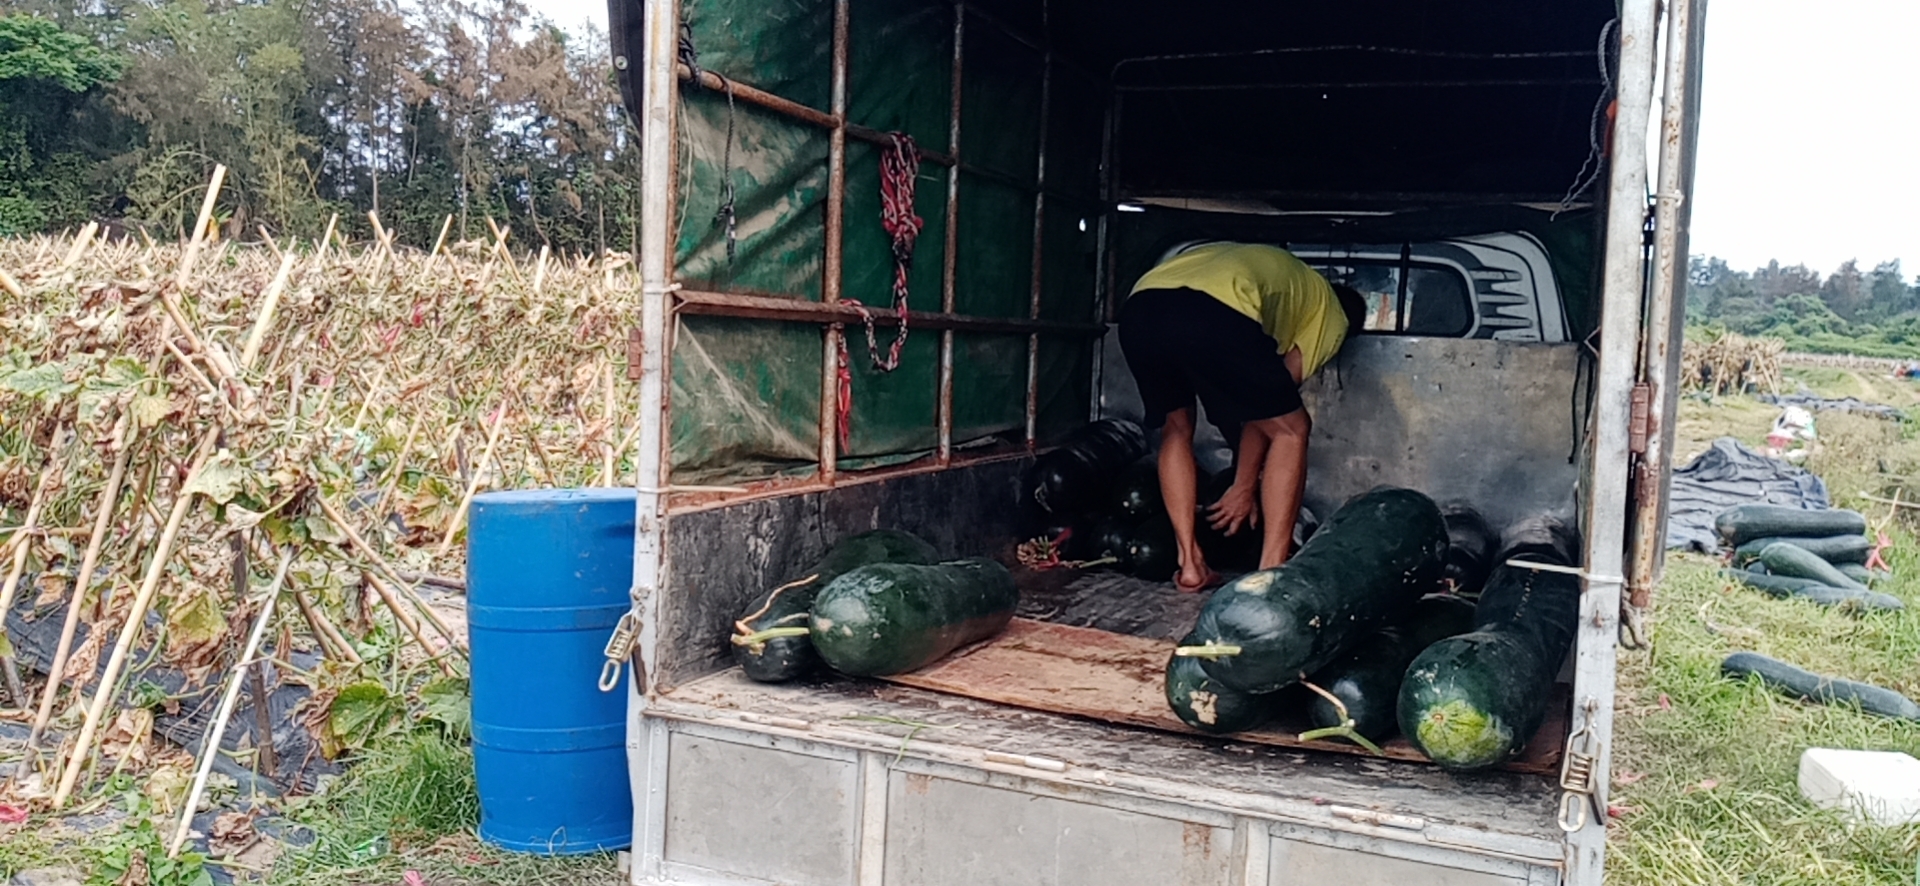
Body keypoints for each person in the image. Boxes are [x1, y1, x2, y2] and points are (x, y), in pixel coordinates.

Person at [1117, 241, 1367, 592]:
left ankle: (1190, 564)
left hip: (1140, 309)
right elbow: (1267, 413)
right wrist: (1244, 485)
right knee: (1293, 429)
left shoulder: (1282, 278)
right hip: (1212, 310)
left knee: (1177, 426)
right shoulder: (1332, 316)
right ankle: (1270, 578)